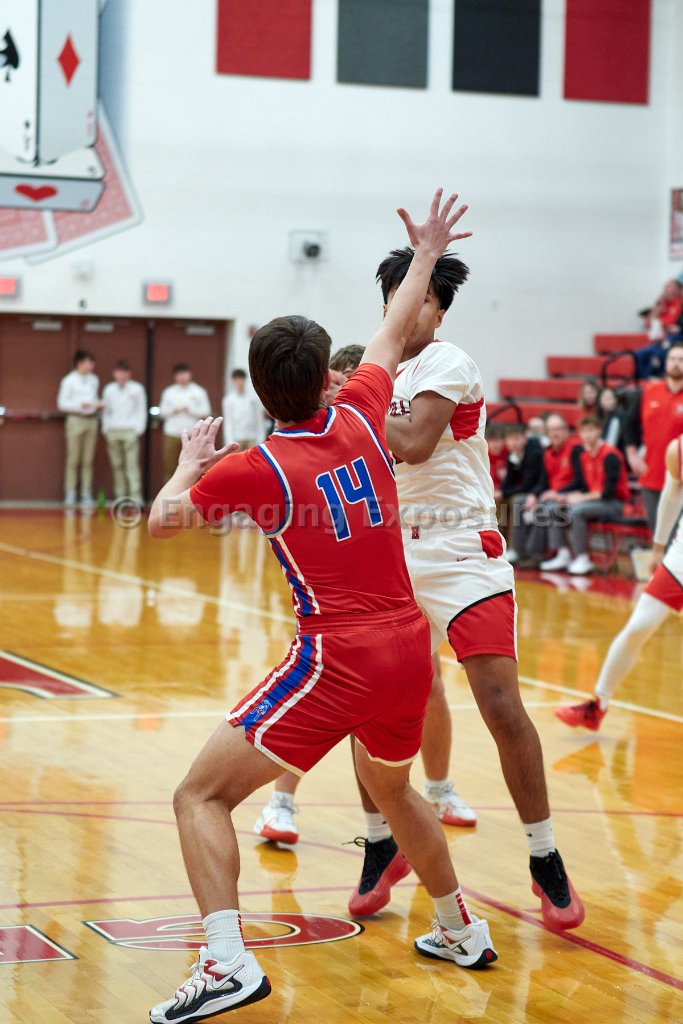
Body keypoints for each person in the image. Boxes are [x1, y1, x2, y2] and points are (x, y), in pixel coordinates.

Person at [147, 191, 498, 1024]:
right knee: (394, 789)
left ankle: (226, 964)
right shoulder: (365, 407)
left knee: (198, 797)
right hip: (407, 649)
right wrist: (424, 253)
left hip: (336, 656)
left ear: (261, 392)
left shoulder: (256, 466)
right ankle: (459, 928)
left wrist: (190, 463)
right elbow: (392, 331)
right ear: (325, 378)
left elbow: (160, 523)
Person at [258, 244, 584, 926]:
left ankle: (544, 855)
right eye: (395, 302)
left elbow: (411, 443)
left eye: (421, 301)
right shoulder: (371, 376)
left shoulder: (447, 363)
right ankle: (381, 844)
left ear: (439, 311)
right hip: (388, 558)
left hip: (461, 549)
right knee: (367, 709)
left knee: (500, 703)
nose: (406, 313)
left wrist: (344, 404)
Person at [555, 434, 683, 730]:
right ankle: (597, 706)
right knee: (638, 627)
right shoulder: (677, 449)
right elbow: (671, 495)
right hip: (679, 558)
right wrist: (658, 548)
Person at [540, 416, 630, 575]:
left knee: (576, 511)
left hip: (615, 504)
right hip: (594, 501)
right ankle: (563, 553)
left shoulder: (610, 455)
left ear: (599, 431)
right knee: (555, 508)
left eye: (591, 431)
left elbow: (608, 493)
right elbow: (584, 485)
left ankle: (583, 557)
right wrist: (569, 496)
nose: (587, 435)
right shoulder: (585, 456)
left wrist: (580, 498)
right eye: (584, 432)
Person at [624, 342, 683, 531]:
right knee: (657, 533)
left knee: (678, 538)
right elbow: (628, 423)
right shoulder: (649, 391)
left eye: (681, 359)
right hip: (651, 474)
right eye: (672, 359)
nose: (676, 363)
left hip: (680, 478)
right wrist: (632, 454)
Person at [526, 414, 581, 559]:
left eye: (558, 429)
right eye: (551, 430)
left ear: (567, 430)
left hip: (571, 495)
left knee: (547, 508)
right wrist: (533, 495)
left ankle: (560, 552)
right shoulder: (548, 453)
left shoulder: (575, 449)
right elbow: (543, 482)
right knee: (524, 503)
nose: (555, 434)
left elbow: (580, 480)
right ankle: (526, 552)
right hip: (553, 495)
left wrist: (557, 493)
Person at [57, 350, 102, 507]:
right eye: (89, 362)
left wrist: (97, 405)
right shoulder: (69, 380)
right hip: (76, 419)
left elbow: (94, 398)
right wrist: (79, 405)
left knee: (88, 459)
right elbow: (62, 403)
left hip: (92, 420)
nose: (92, 365)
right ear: (80, 363)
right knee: (73, 459)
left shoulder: (94, 379)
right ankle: (70, 492)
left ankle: (86, 492)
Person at [101, 360, 147, 503]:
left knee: (131, 465)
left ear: (129, 374)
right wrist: (106, 428)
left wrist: (139, 429)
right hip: (113, 431)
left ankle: (136, 497)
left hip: (130, 431)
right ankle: (120, 497)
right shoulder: (109, 389)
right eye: (118, 372)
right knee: (117, 465)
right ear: (114, 374)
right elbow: (106, 411)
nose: (121, 375)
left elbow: (141, 409)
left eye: (124, 372)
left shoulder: (137, 389)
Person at [159, 364, 211, 482]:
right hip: (172, 433)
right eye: (179, 374)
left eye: (185, 374)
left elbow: (206, 411)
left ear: (190, 374)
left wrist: (190, 410)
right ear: (175, 376)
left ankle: (192, 492)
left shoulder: (198, 391)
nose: (182, 377)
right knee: (170, 466)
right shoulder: (169, 392)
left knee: (194, 467)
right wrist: (174, 410)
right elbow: (162, 412)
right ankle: (169, 492)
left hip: (192, 434)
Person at [500, 424, 544, 564]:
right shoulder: (512, 455)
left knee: (518, 501)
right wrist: (502, 491)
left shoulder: (534, 453)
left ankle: (517, 549)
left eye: (517, 438)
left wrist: (504, 492)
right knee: (500, 501)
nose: (514, 443)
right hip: (529, 491)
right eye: (510, 439)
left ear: (525, 438)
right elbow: (508, 481)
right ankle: (499, 544)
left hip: (539, 490)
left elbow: (528, 484)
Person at [221, 368, 264, 451]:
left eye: (241, 379)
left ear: (244, 380)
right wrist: (230, 441)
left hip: (252, 439)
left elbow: (259, 419)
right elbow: (228, 422)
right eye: (237, 379)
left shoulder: (253, 398)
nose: (239, 382)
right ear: (233, 381)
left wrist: (260, 440)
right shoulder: (229, 400)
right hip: (237, 439)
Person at [598, 386, 626, 451]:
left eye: (613, 398)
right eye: (607, 398)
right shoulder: (598, 416)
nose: (611, 401)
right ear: (599, 401)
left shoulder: (617, 416)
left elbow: (611, 444)